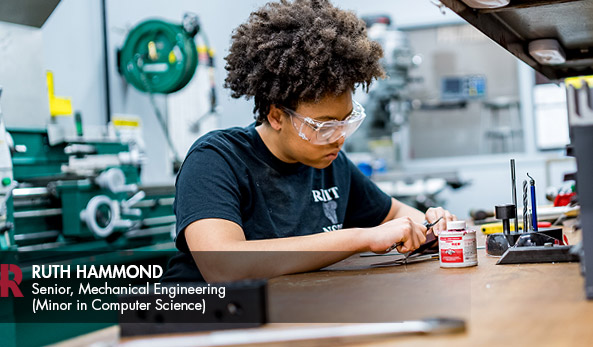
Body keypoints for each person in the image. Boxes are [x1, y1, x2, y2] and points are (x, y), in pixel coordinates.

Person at [162, 0, 455, 283]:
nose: (338, 137)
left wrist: (429, 226)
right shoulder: (216, 158)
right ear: (276, 116)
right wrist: (360, 237)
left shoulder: (330, 163)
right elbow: (222, 265)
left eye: (346, 122)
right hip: (198, 321)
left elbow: (395, 214)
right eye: (324, 126)